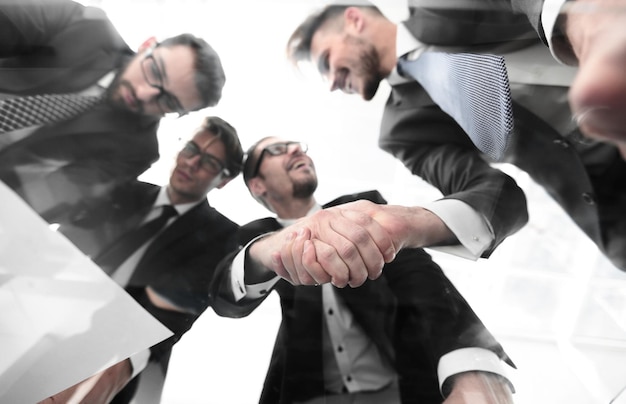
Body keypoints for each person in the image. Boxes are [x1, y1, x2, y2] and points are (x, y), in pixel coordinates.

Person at [272, 2, 626, 286]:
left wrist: (594, 31)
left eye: (326, 62)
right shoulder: (403, 132)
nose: (333, 83)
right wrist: (409, 225)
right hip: (613, 197)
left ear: (354, 20)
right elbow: (494, 195)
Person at [209, 136, 516, 404]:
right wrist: (269, 250)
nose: (296, 151)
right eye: (277, 149)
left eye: (298, 147)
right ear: (257, 184)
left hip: (400, 391)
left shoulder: (363, 207)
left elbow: (422, 279)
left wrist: (474, 366)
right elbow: (227, 296)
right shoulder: (253, 236)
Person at [39, 116, 243, 404]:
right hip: (38, 321)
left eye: (209, 162)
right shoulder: (123, 190)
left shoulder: (222, 236)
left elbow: (168, 315)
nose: (192, 163)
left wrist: (111, 374)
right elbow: (59, 243)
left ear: (225, 179)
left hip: (105, 361)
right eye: (190, 149)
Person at [0, 0, 226, 221]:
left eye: (168, 101)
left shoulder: (136, 151)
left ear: (181, 114)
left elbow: (46, 198)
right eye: (155, 71)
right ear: (147, 44)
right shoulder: (86, 25)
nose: (143, 93)